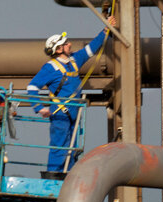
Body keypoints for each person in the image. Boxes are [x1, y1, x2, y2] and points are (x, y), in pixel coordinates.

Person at [30, 29, 108, 177]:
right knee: (59, 146)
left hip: (75, 113)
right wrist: (39, 108)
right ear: (58, 49)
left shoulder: (73, 60)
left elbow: (90, 49)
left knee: (73, 148)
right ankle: (53, 177)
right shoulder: (50, 67)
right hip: (60, 113)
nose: (69, 44)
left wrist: (105, 31)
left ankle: (69, 176)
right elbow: (32, 87)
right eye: (65, 44)